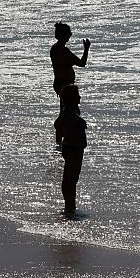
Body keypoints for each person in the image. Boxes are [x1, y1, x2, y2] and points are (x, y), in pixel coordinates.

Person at [50, 22, 90, 144]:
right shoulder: (64, 51)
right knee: (69, 111)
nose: (70, 35)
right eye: (69, 33)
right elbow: (82, 63)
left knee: (64, 110)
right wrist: (86, 49)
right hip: (66, 85)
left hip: (59, 83)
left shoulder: (54, 49)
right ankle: (65, 138)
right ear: (64, 35)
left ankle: (60, 140)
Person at [53, 84, 87, 218]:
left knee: (69, 180)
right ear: (72, 98)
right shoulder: (69, 111)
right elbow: (58, 124)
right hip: (73, 148)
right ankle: (70, 208)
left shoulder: (71, 110)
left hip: (72, 147)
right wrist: (78, 123)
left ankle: (69, 207)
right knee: (70, 180)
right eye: (77, 95)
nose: (80, 97)